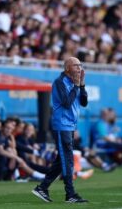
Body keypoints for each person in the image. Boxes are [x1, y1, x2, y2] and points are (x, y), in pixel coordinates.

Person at [32, 57, 88, 203]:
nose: (79, 68)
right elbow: (67, 103)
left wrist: (81, 85)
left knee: (61, 161)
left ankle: (42, 188)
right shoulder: (59, 82)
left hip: (70, 126)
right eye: (76, 66)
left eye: (80, 65)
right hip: (61, 125)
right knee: (68, 160)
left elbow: (84, 102)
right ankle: (70, 194)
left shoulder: (74, 83)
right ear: (67, 68)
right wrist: (76, 86)